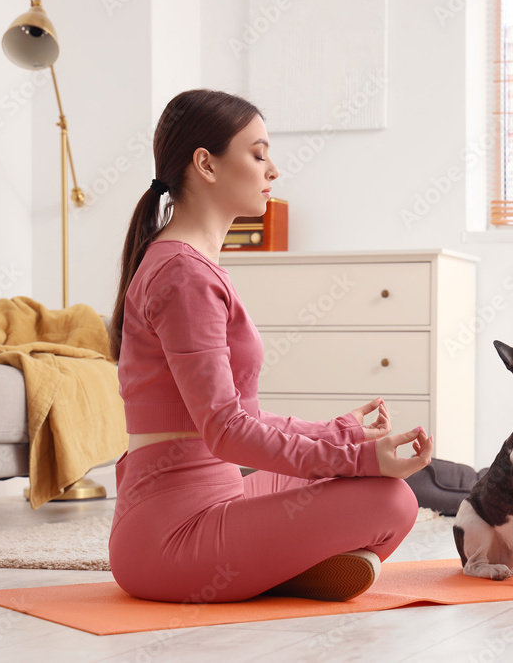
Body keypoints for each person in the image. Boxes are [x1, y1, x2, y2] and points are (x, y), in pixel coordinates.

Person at [106, 89, 433, 604]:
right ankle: (275, 569)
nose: (273, 170)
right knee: (389, 500)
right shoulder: (183, 274)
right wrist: (360, 459)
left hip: (213, 496)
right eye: (258, 154)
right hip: (169, 536)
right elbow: (227, 431)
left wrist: (341, 433)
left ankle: (271, 569)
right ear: (205, 165)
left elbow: (242, 416)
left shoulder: (188, 263)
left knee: (381, 493)